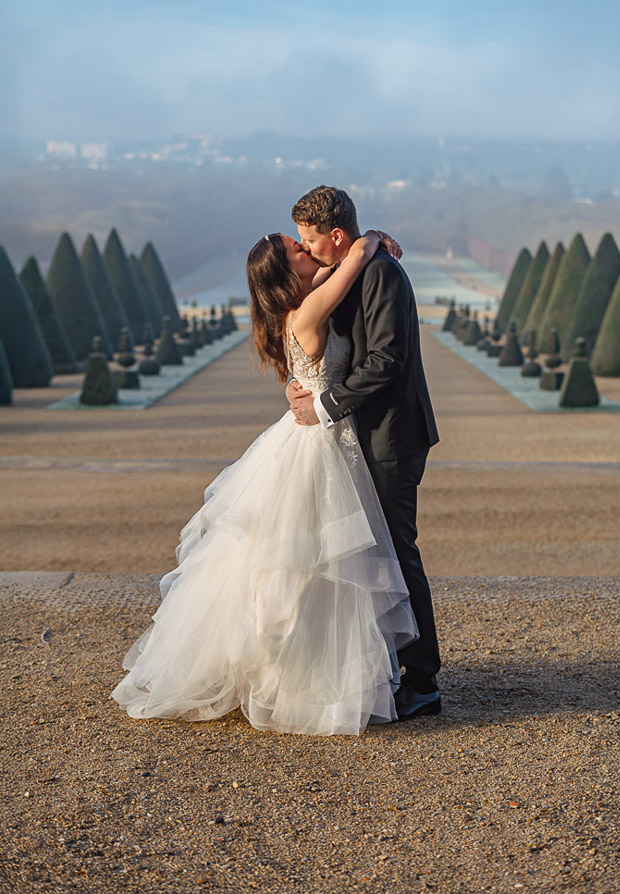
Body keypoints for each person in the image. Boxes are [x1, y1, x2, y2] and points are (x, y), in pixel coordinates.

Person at [110, 228, 419, 736]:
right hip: (319, 441)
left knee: (309, 562)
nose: (307, 249)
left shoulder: (294, 308)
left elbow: (331, 275)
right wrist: (367, 242)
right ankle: (308, 678)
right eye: (297, 249)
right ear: (285, 270)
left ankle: (307, 670)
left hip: (315, 431)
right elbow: (350, 263)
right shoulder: (310, 308)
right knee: (313, 562)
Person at [287, 185, 441, 720]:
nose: (304, 251)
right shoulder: (348, 268)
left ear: (335, 234)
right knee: (370, 555)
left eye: (309, 240)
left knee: (399, 553)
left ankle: (423, 683)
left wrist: (326, 405)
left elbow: (387, 360)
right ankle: (390, 667)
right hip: (361, 436)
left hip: (391, 436)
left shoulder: (381, 274)